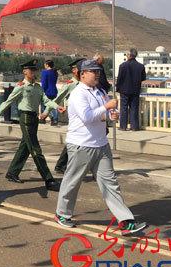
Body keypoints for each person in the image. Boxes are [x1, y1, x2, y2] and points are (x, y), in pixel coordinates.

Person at [54, 60, 147, 236]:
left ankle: (125, 221)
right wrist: (106, 107)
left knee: (110, 183)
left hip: (101, 144)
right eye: (93, 71)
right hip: (82, 145)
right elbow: (87, 117)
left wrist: (112, 114)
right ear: (82, 74)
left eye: (98, 71)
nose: (96, 74)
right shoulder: (78, 94)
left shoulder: (100, 92)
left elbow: (102, 116)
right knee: (72, 182)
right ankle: (62, 213)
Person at [0, 59, 59, 191]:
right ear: (24, 72)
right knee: (35, 149)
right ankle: (49, 179)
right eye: (31, 70)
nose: (34, 72)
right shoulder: (21, 86)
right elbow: (7, 102)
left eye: (35, 70)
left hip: (34, 118)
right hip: (25, 118)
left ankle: (12, 172)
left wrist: (58, 106)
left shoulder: (37, 87)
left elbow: (46, 100)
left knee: (25, 146)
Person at [41, 58, 85, 174]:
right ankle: (62, 165)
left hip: (86, 116)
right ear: (75, 71)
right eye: (81, 69)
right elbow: (58, 98)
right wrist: (46, 112)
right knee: (75, 140)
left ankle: (66, 164)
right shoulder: (70, 85)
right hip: (76, 117)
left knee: (81, 141)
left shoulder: (86, 83)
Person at [116, 48, 146, 131]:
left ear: (129, 55)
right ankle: (134, 127)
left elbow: (119, 79)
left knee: (124, 108)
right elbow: (143, 78)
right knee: (134, 108)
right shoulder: (141, 66)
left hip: (124, 90)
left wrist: (118, 88)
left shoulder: (123, 65)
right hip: (135, 90)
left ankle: (123, 126)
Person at [40, 60, 59, 126]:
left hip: (47, 92)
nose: (44, 65)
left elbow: (44, 83)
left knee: (45, 105)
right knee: (53, 105)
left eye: (45, 64)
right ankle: (55, 120)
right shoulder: (55, 72)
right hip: (54, 91)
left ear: (47, 65)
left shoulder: (45, 72)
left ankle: (43, 118)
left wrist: (42, 91)